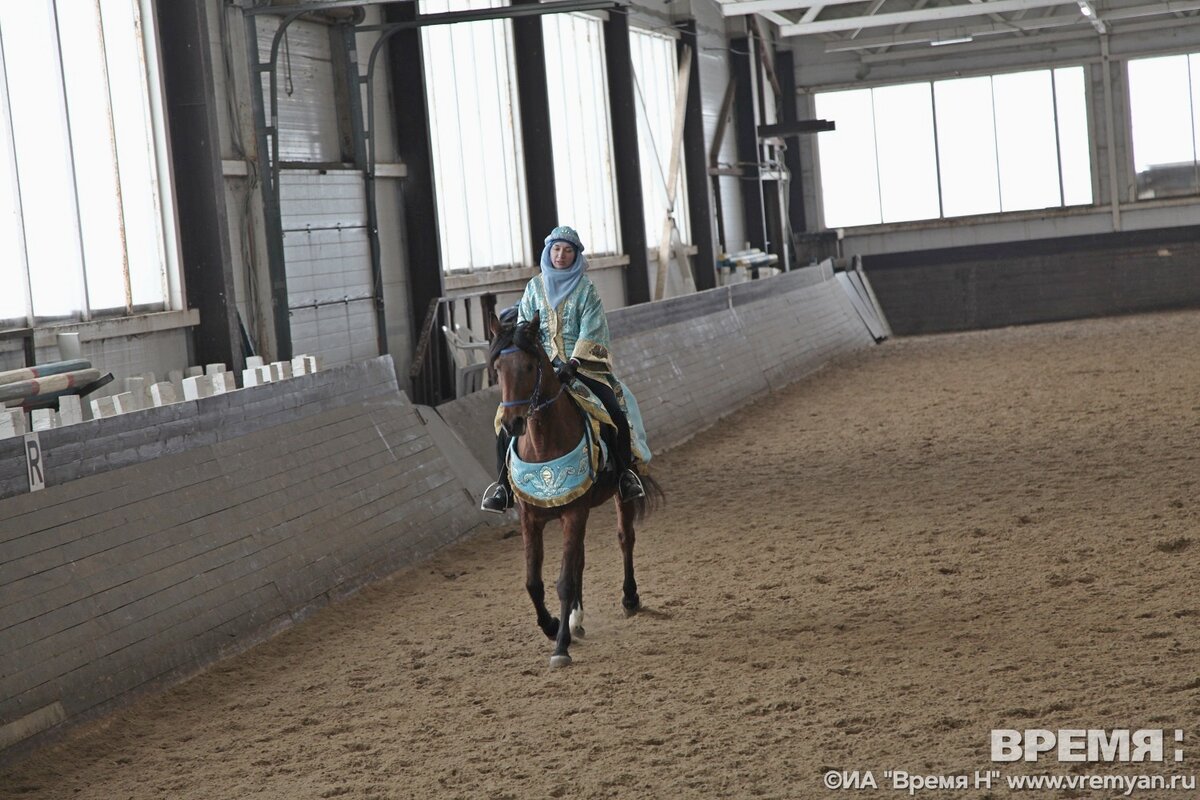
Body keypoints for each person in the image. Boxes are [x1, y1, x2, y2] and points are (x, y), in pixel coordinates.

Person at [481, 225, 648, 513]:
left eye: (568, 250)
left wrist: (574, 363)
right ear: (549, 252)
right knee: (503, 420)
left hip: (580, 367)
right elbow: (523, 329)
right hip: (541, 366)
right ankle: (503, 487)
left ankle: (624, 475)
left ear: (575, 255)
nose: (561, 255)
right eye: (556, 249)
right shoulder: (534, 288)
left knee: (615, 410)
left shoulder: (587, 289)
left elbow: (593, 328)